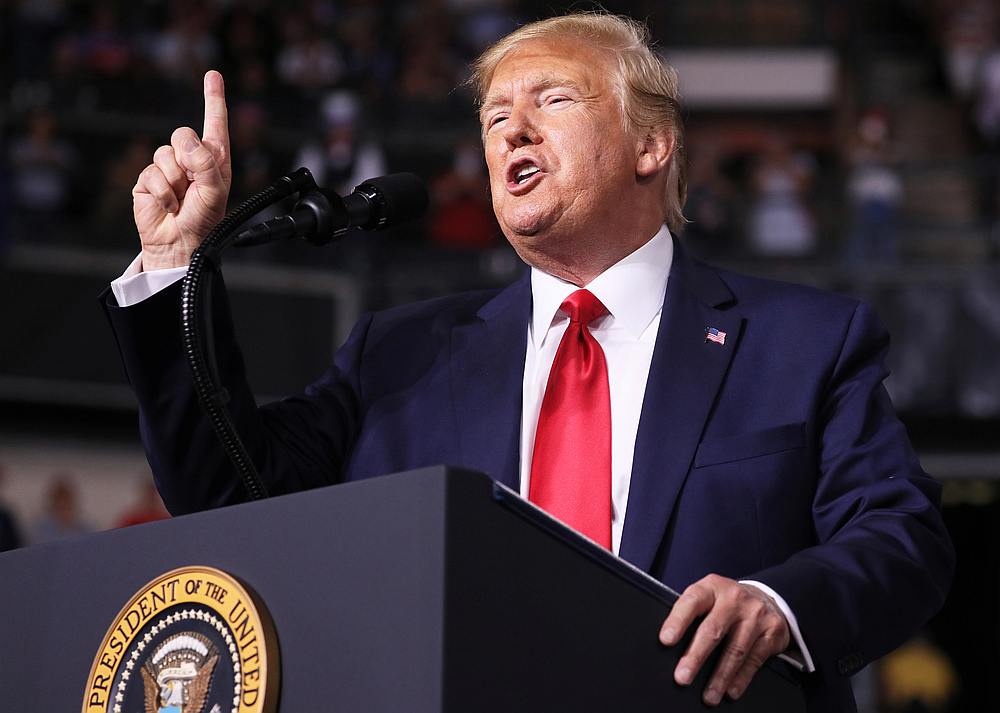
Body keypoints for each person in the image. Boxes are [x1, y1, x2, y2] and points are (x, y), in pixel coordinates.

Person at [104, 13, 953, 712]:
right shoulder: (397, 355)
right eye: (494, 115)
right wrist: (176, 267)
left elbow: (901, 536)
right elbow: (228, 493)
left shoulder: (805, 342)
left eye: (552, 98)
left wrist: (779, 604)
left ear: (650, 145)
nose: (512, 127)